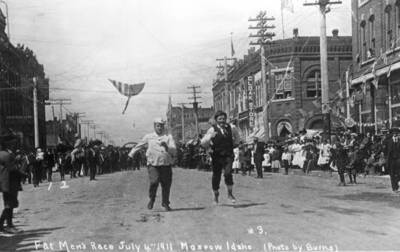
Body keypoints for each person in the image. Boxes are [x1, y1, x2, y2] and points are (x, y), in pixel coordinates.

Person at [129, 118, 176, 211]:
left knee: (166, 185)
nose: (160, 128)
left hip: (166, 164)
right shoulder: (148, 136)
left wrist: (167, 147)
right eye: (158, 126)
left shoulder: (168, 137)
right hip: (153, 165)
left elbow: (174, 149)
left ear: (164, 126)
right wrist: (131, 154)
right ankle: (152, 199)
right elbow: (140, 145)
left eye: (162, 126)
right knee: (154, 182)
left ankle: (165, 202)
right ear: (154, 126)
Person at [201, 111, 241, 204]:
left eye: (223, 119)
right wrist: (210, 137)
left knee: (228, 173)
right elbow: (203, 143)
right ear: (216, 120)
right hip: (217, 156)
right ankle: (216, 194)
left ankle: (230, 194)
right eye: (220, 119)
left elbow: (237, 136)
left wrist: (236, 144)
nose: (222, 121)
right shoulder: (212, 130)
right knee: (216, 176)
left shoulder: (231, 127)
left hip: (228, 155)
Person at [0, 141, 24, 234]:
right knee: (10, 204)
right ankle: (9, 226)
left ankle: (1, 225)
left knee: (8, 204)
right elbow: (13, 169)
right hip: (10, 182)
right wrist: (22, 173)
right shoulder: (6, 155)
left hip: (4, 183)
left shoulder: (3, 154)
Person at [386, 128, 400, 193]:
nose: (395, 134)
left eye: (396, 133)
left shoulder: (399, 141)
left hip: (398, 160)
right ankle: (394, 188)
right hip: (391, 160)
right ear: (392, 134)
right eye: (394, 133)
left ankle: (396, 185)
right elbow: (387, 151)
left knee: (398, 174)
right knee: (392, 174)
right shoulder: (389, 141)